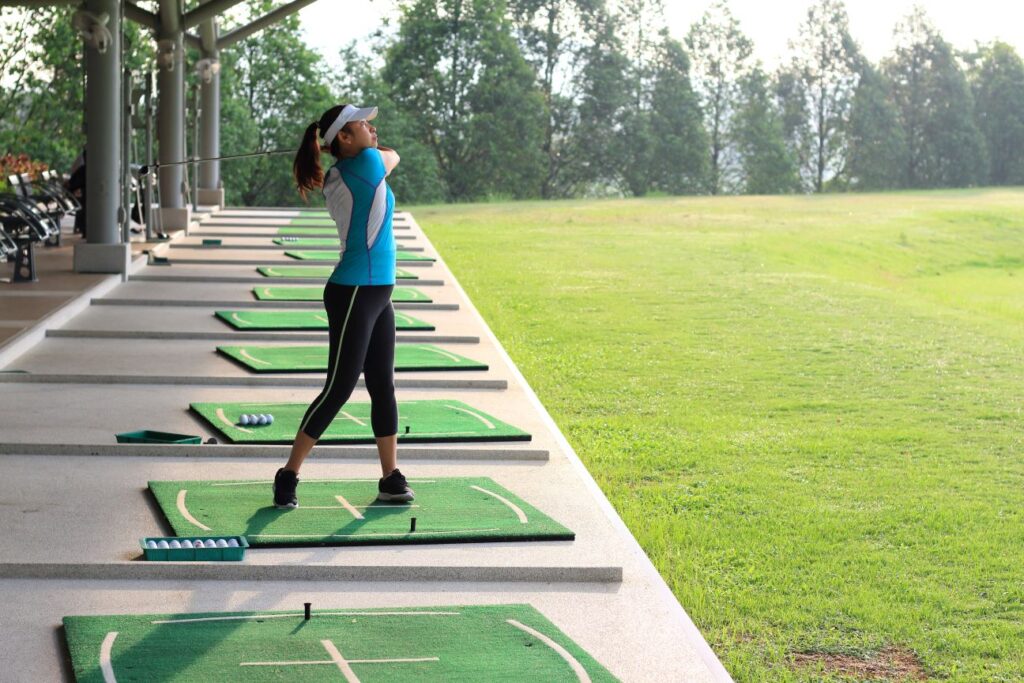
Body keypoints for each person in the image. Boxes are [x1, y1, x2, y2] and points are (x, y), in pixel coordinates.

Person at [274, 103, 411, 509]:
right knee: (339, 387)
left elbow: (382, 153)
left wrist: (357, 138)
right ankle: (288, 474)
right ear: (345, 140)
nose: (371, 125)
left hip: (375, 291)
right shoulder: (365, 165)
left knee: (382, 384)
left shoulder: (347, 168)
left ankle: (390, 477)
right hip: (355, 291)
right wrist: (368, 144)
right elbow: (394, 154)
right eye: (361, 124)